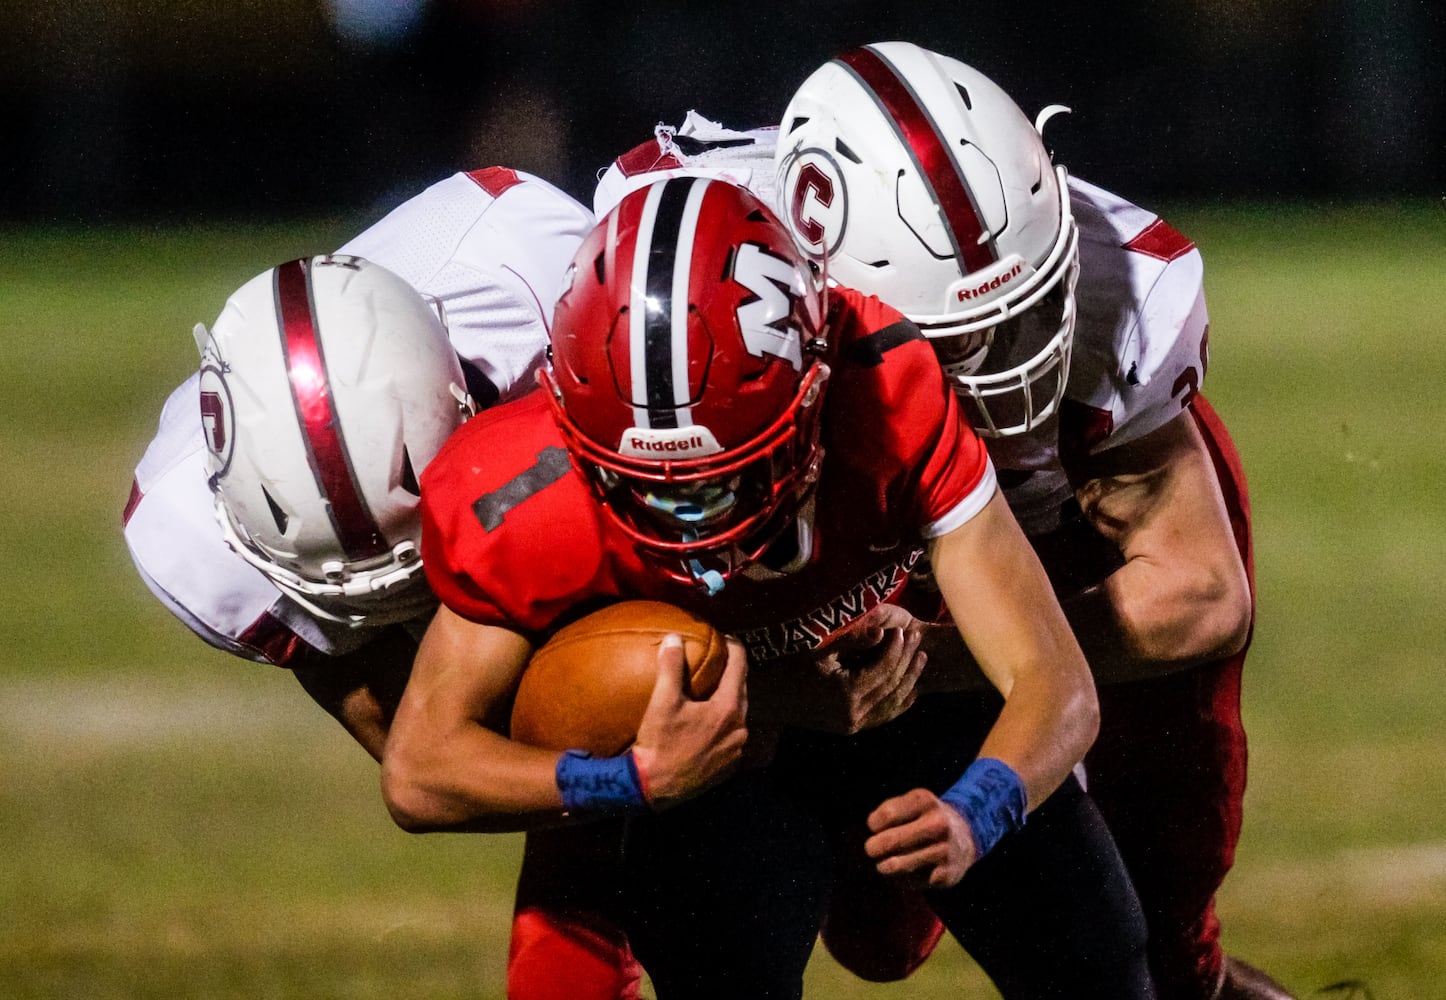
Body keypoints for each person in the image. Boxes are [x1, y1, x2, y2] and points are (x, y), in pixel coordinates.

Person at [382, 175, 1158, 999]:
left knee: (1096, 957)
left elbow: (1056, 683)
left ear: (816, 388)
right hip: (718, 762)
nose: (691, 521)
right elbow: (420, 769)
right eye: (648, 483)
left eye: (725, 476)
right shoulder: (521, 496)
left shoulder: (886, 391)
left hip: (906, 699)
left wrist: (977, 809)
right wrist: (631, 778)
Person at [764, 42, 1289, 1000]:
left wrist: (939, 660)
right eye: (955, 339)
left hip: (1077, 527)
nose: (1004, 359)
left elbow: (1201, 594)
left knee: (1167, 915)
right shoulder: (738, 281)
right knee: (875, 936)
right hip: (888, 554)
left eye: (1024, 306)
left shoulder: (1115, 299)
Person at [121, 168, 667, 999]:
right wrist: (611, 778)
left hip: (527, 409)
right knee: (527, 738)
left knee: (612, 664)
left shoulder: (549, 291)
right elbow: (427, 762)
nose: (397, 595)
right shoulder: (186, 537)